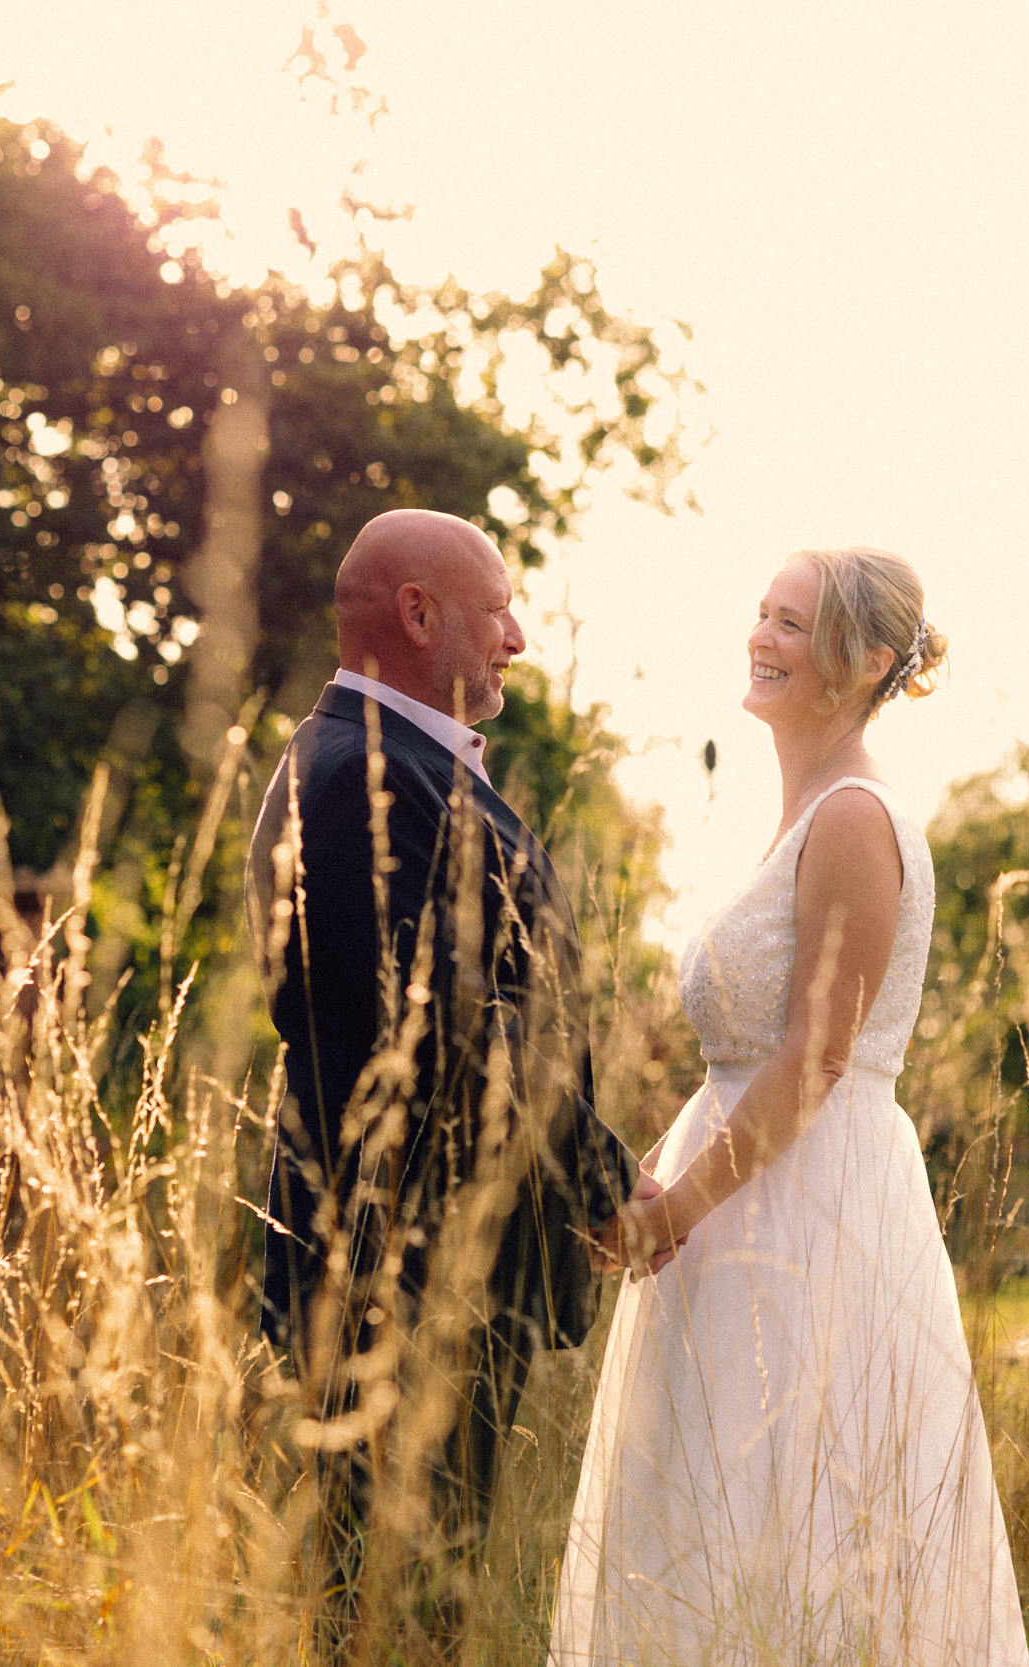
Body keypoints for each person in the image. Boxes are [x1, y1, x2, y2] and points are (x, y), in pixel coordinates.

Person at [550, 549, 1029, 1665]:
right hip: (736, 1199)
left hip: (806, 1211)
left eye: (791, 624)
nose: (760, 639)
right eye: (760, 614)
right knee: (714, 1513)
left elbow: (816, 1057)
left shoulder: (856, 818)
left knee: (802, 1508)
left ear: (864, 662)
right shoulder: (797, 813)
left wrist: (672, 1211)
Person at [245, 508, 647, 1651]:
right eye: (498, 606)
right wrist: (604, 1178)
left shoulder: (399, 762)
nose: (516, 635)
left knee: (421, 1603)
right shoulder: (356, 777)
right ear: (419, 615)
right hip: (393, 1278)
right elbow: (448, 1037)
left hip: (431, 1272)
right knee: (392, 1612)